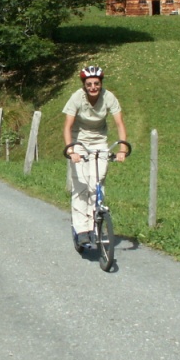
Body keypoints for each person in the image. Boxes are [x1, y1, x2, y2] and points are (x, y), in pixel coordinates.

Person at [62, 66, 128, 251]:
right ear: (84, 85)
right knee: (81, 186)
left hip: (99, 142)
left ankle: (94, 225)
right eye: (89, 84)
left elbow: (119, 123)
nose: (93, 87)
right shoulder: (77, 97)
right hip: (79, 141)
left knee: (97, 183)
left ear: (101, 84)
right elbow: (67, 126)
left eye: (96, 84)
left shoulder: (109, 97)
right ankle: (81, 230)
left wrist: (122, 149)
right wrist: (71, 150)